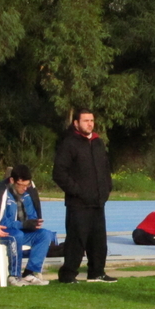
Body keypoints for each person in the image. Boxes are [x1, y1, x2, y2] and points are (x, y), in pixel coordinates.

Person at [53, 109, 116, 284]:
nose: (89, 124)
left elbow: (105, 168)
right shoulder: (69, 144)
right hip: (78, 204)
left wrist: (106, 189)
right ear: (76, 123)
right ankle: (68, 275)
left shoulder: (98, 143)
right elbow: (59, 173)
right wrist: (78, 191)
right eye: (86, 120)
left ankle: (97, 272)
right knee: (76, 241)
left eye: (92, 120)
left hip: (98, 202)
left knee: (98, 241)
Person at [0, 165, 52, 286]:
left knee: (45, 234)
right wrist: (22, 224)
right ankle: (14, 275)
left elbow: (32, 215)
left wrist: (33, 223)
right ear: (12, 180)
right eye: (21, 185)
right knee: (17, 235)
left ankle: (29, 273)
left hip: (22, 231)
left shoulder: (28, 193)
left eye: (27, 185)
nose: (25, 188)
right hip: (2, 233)